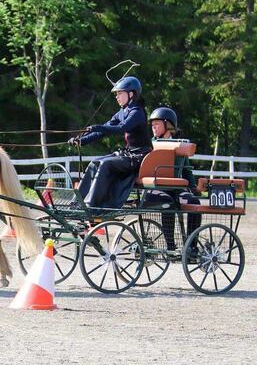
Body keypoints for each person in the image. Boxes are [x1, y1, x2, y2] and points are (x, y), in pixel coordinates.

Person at [68, 76, 152, 210]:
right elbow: (103, 130)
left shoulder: (137, 112)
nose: (116, 97)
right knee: (95, 162)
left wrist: (99, 127)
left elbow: (122, 128)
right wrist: (82, 141)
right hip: (128, 155)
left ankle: (91, 205)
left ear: (131, 94)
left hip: (139, 158)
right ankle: (78, 202)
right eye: (116, 94)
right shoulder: (122, 112)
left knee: (105, 164)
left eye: (120, 93)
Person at [143, 106, 201, 251]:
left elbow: (186, 169)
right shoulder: (148, 145)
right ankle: (170, 246)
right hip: (156, 189)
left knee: (194, 202)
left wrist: (193, 187)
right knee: (167, 202)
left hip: (175, 189)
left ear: (167, 125)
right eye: (152, 124)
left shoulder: (179, 145)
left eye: (156, 124)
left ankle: (191, 246)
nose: (153, 127)